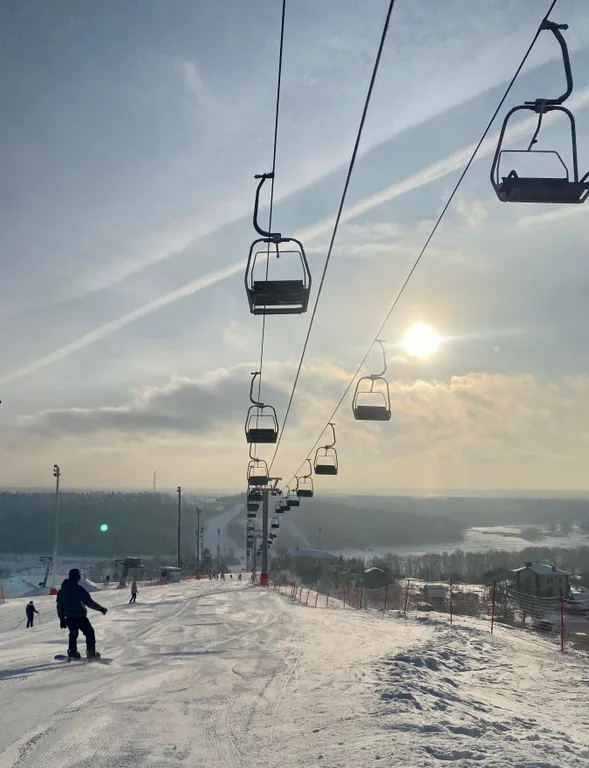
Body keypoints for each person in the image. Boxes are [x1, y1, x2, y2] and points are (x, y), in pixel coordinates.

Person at [56, 568, 108, 659]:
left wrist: (61, 619)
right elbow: (89, 602)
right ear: (77, 577)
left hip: (69, 617)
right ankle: (91, 653)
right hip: (80, 617)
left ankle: (72, 652)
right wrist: (101, 609)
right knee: (89, 633)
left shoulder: (61, 591)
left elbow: (59, 606)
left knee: (73, 634)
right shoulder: (78, 589)